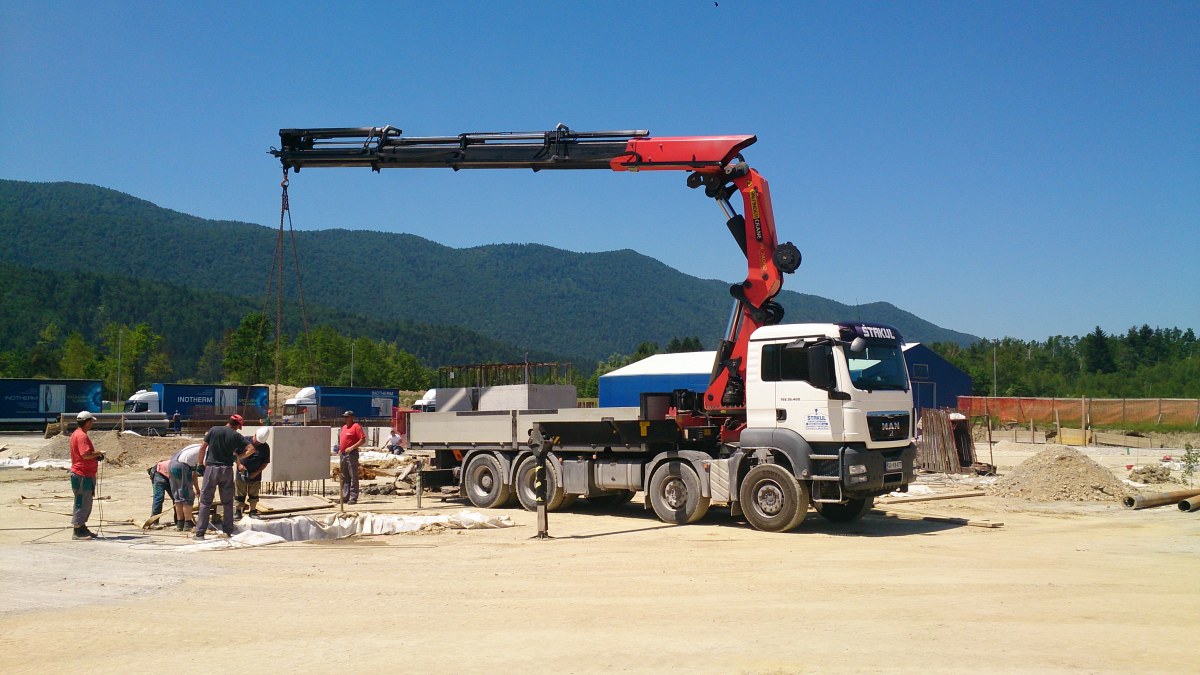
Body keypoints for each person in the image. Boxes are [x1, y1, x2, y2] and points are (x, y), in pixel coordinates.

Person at [193, 414, 254, 540]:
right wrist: (239, 457)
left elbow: (203, 447)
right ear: (238, 425)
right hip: (226, 470)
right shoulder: (236, 435)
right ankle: (227, 531)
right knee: (227, 502)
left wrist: (200, 464)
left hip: (211, 469)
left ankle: (200, 533)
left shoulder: (214, 430)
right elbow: (251, 449)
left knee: (205, 502)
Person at [69, 410, 105, 540]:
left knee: (86, 502)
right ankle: (77, 530)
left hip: (84, 474)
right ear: (87, 422)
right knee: (81, 502)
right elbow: (85, 454)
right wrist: (98, 453)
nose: (92, 424)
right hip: (82, 475)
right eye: (91, 422)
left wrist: (95, 457)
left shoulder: (76, 434)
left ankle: (82, 526)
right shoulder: (82, 436)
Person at [235, 427, 271, 518]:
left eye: (260, 442)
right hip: (241, 473)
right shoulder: (244, 441)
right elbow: (235, 454)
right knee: (240, 493)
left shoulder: (265, 447)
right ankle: (238, 511)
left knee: (254, 494)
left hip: (255, 475)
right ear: (255, 434)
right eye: (257, 441)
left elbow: (265, 462)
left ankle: (253, 511)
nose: (258, 443)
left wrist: (256, 472)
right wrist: (239, 464)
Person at [168, 442, 203, 531]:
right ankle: (187, 523)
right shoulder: (206, 450)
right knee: (187, 496)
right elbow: (205, 468)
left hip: (172, 464)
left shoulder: (195, 447)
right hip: (182, 466)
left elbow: (194, 475)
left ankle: (180, 523)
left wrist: (197, 489)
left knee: (178, 497)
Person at [338, 410, 365, 505]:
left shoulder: (356, 427)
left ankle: (353, 497)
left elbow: (362, 440)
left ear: (352, 417)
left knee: (353, 476)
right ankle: (345, 496)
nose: (345, 419)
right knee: (344, 476)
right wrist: (340, 449)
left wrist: (352, 447)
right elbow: (342, 440)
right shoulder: (344, 427)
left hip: (351, 454)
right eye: (344, 417)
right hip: (343, 455)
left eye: (347, 417)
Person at [148, 458, 175, 528]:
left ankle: (179, 520)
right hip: (158, 473)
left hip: (169, 474)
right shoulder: (184, 467)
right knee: (159, 497)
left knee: (176, 498)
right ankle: (154, 521)